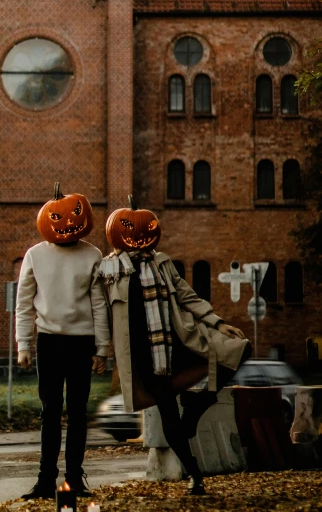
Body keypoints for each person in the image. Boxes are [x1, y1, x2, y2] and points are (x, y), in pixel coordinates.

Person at [100, 198, 251, 496]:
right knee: (169, 411)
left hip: (177, 342)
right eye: (129, 226)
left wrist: (218, 323)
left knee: (240, 349)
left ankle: (199, 405)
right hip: (144, 355)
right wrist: (100, 350)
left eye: (147, 226)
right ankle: (194, 474)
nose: (139, 232)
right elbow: (100, 313)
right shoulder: (108, 271)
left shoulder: (162, 262)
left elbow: (187, 296)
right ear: (117, 232)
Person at [16, 184, 110, 500]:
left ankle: (74, 478)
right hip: (48, 342)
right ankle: (45, 479)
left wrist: (103, 348)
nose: (67, 222)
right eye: (58, 216)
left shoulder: (93, 255)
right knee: (50, 411)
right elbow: (24, 301)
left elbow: (100, 303)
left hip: (82, 342)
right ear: (47, 219)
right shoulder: (35, 255)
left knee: (78, 412)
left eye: (74, 214)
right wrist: (23, 344)